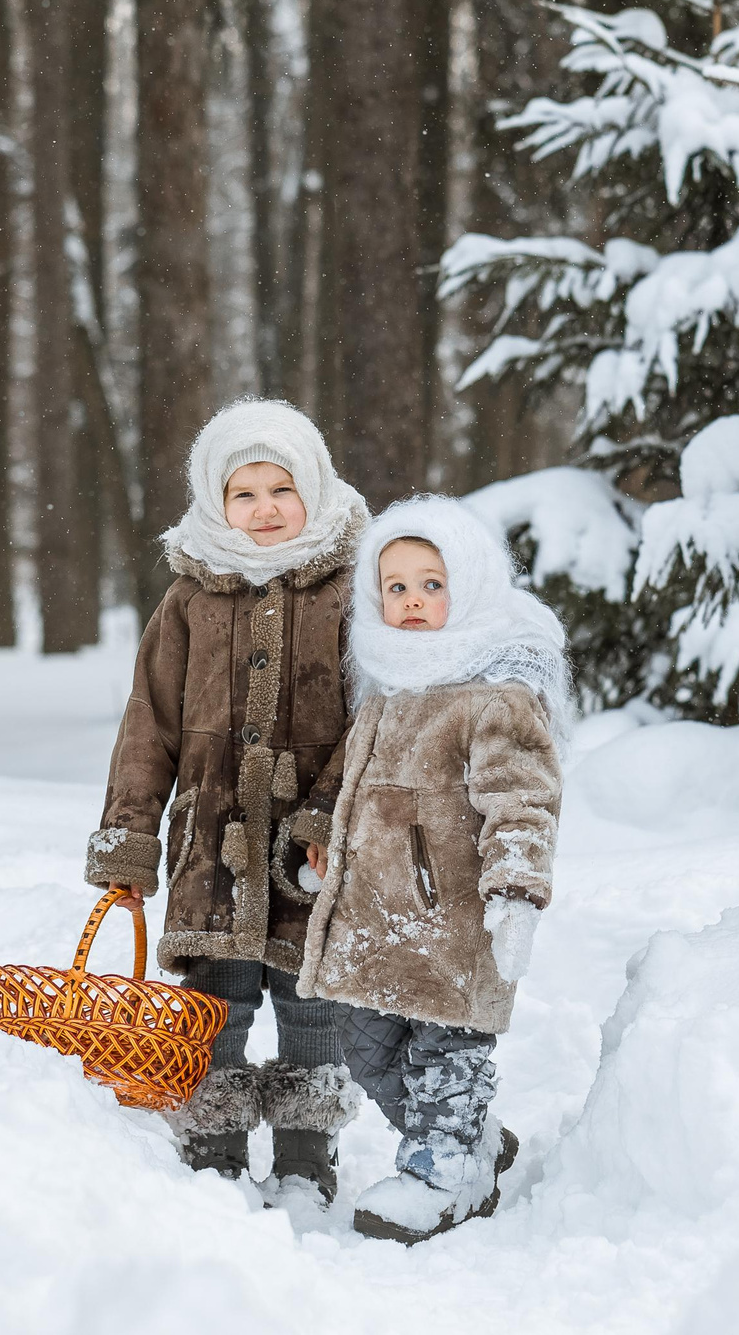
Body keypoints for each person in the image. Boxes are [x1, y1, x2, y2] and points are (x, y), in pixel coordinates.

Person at [81, 399, 369, 1202]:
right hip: (212, 842)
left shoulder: (350, 593)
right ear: (215, 499)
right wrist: (129, 839)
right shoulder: (190, 599)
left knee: (311, 1000)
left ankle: (307, 1155)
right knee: (214, 1001)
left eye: (282, 488)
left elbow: (375, 718)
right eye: (244, 493)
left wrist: (326, 814)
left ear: (314, 486)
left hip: (311, 847)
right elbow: (149, 726)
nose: (265, 508)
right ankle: (214, 1153)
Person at [288, 496, 566, 1243]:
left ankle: (443, 1171)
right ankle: (473, 1140)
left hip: (454, 925)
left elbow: (523, 799)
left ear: (469, 587)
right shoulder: (386, 687)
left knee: (446, 1057)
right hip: (375, 923)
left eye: (432, 585)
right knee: (367, 1051)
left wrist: (516, 891)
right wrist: (326, 838)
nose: (411, 601)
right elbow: (350, 782)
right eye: (396, 587)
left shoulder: (495, 697)